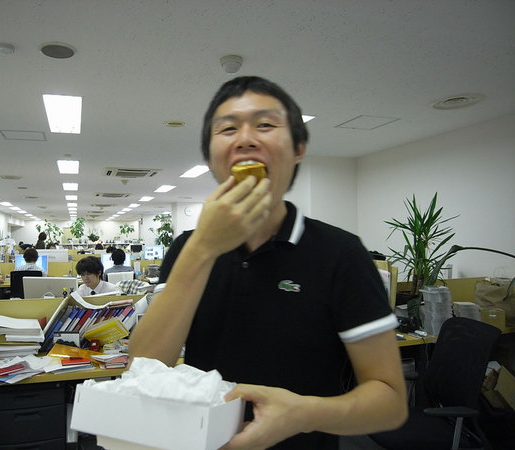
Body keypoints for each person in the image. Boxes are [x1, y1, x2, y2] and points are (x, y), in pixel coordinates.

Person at [129, 76, 407, 449]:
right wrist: (203, 247)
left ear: (298, 149)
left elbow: (390, 403)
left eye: (265, 125)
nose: (245, 138)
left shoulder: (342, 253)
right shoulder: (186, 249)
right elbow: (143, 368)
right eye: (228, 129)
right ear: (210, 157)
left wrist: (303, 414)